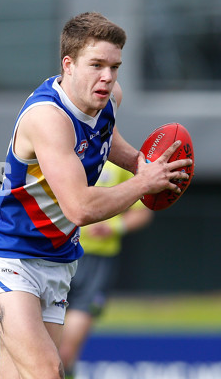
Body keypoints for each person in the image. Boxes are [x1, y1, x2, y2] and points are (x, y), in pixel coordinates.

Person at [0, 11, 192, 379]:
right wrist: (142, 183)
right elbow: (80, 208)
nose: (107, 77)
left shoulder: (109, 98)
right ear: (68, 65)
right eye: (96, 65)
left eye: (114, 67)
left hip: (57, 259)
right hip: (7, 254)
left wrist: (141, 164)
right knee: (47, 370)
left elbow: (107, 138)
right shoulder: (48, 119)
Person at [58, 161, 154, 378]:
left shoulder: (119, 162)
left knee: (64, 353)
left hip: (96, 262)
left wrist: (112, 227)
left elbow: (142, 213)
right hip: (55, 256)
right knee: (46, 350)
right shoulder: (59, 151)